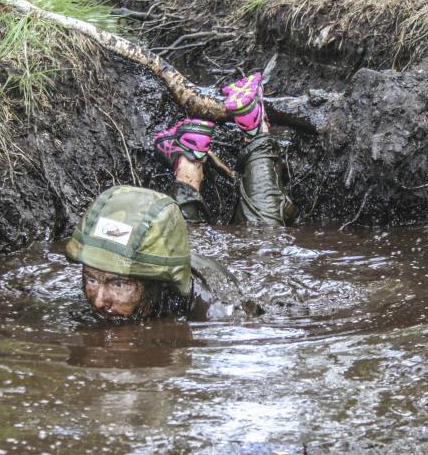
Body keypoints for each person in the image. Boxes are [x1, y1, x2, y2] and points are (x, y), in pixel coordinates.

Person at [66, 73, 294, 321]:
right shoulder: (157, 257)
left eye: (118, 285)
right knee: (182, 230)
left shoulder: (215, 309)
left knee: (263, 240)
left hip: (224, 267)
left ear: (156, 281)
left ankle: (255, 128)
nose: (99, 300)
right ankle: (189, 155)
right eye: (91, 279)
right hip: (182, 245)